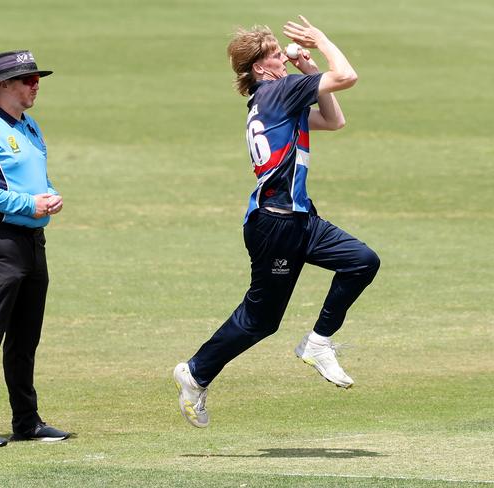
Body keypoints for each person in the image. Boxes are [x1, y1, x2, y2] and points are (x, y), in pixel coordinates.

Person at [174, 16, 380, 428]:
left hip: (301, 218)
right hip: (275, 224)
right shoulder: (276, 92)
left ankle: (318, 343)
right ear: (259, 68)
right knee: (260, 320)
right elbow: (347, 76)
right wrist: (319, 41)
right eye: (274, 55)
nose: (281, 58)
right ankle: (195, 372)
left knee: (362, 260)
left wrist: (306, 68)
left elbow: (334, 121)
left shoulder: (275, 98)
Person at [0, 50, 70, 447]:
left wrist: (52, 195)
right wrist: (30, 205)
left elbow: (35, 178)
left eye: (36, 78)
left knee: (25, 338)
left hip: (31, 242)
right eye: (27, 79)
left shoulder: (30, 126)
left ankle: (26, 421)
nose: (35, 84)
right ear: (4, 85)